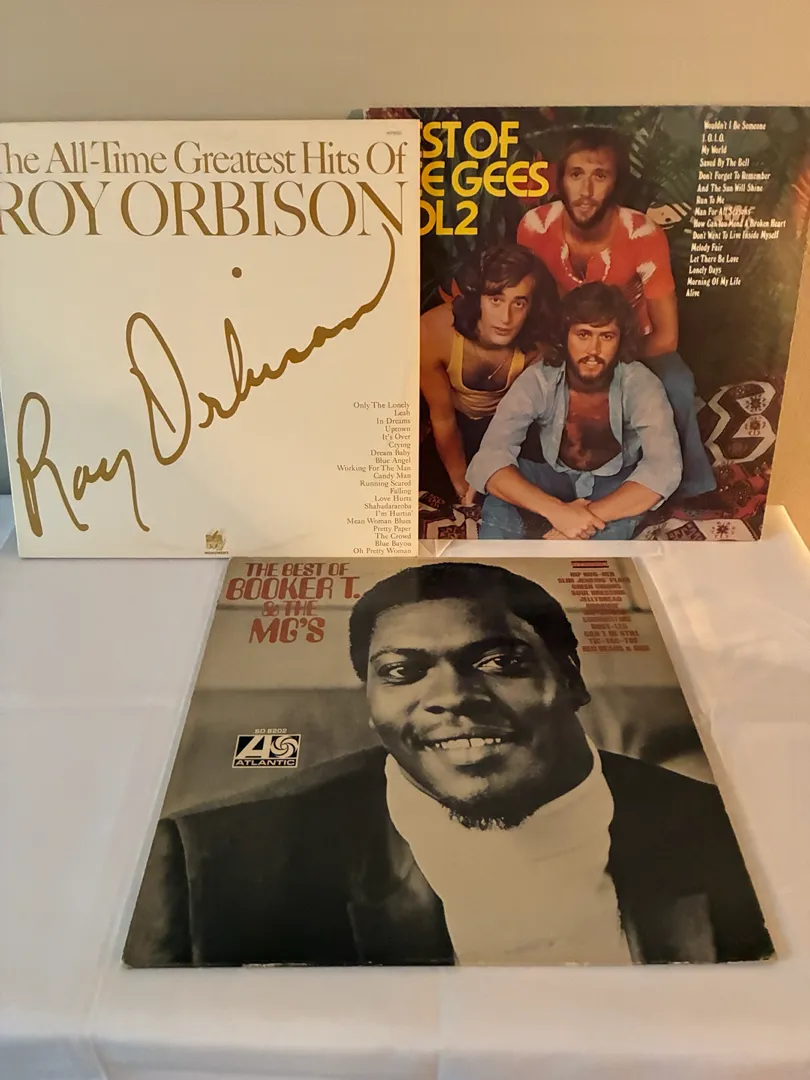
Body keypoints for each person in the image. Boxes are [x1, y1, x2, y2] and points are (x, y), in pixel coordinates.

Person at [124, 563, 771, 967]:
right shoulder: (211, 864)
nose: (451, 698)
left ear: (571, 679)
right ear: (370, 701)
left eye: (498, 662)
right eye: (401, 672)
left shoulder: (725, 829)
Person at [517, 126, 716, 498]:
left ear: (616, 183)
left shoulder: (642, 234)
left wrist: (607, 361)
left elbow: (667, 337)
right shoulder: (535, 228)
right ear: (560, 179)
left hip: (631, 346)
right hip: (562, 345)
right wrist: (557, 355)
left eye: (600, 176)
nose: (586, 190)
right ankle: (537, 482)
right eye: (576, 174)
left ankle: (691, 487)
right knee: (516, 375)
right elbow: (526, 307)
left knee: (677, 383)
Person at [467, 282, 682, 540]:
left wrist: (586, 516)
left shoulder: (640, 383)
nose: (593, 350)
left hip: (615, 483)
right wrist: (557, 511)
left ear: (620, 340)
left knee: (600, 544)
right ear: (565, 337)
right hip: (553, 477)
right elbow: (491, 456)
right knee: (501, 496)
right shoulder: (539, 379)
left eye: (606, 336)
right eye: (583, 335)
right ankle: (494, 564)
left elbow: (663, 467)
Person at [419, 244, 559, 505]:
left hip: (510, 427)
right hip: (456, 424)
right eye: (496, 299)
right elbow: (443, 420)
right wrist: (461, 486)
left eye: (519, 303)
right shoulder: (433, 332)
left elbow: (518, 423)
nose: (506, 318)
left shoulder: (539, 347)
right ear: (477, 298)